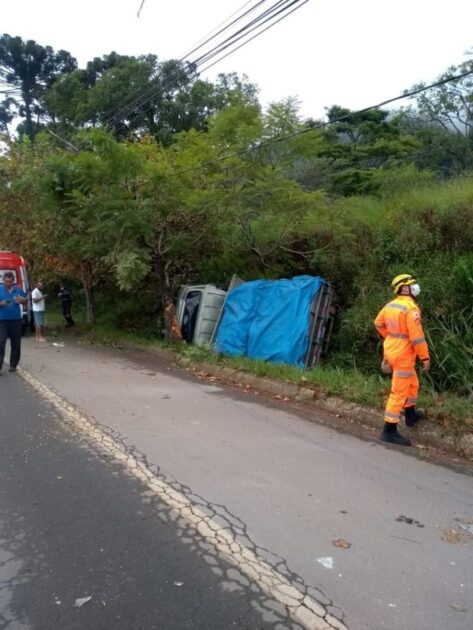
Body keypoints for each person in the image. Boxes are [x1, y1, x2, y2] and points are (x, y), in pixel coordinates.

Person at [374, 274, 431, 446]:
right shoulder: (410, 309)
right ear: (404, 288)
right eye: (412, 284)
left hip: (392, 350)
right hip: (403, 355)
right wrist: (425, 357)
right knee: (398, 392)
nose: (415, 286)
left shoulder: (391, 305)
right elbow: (417, 337)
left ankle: (410, 415)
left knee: (412, 384)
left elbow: (378, 323)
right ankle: (389, 430)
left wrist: (391, 338)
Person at [0, 271, 28, 373]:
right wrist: (1, 304)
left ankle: (13, 365)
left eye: (10, 281)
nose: (8, 283)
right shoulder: (0, 289)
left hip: (16, 320)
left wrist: (22, 301)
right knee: (1, 343)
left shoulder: (18, 290)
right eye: (6, 281)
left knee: (16, 344)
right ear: (3, 280)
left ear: (13, 281)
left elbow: (26, 300)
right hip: (2, 321)